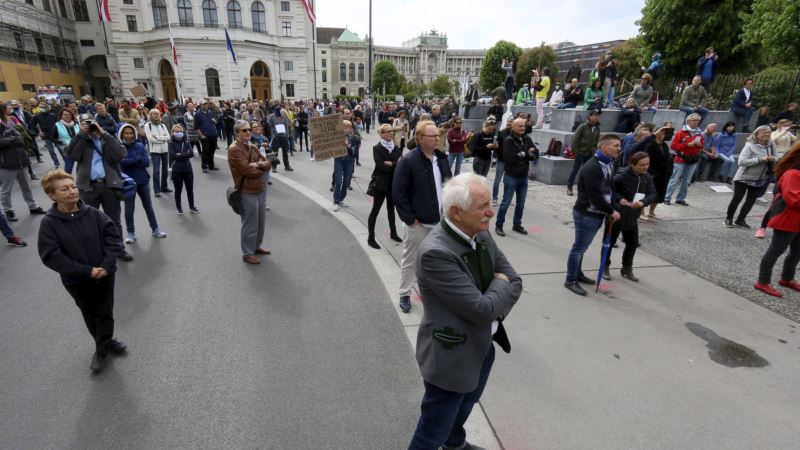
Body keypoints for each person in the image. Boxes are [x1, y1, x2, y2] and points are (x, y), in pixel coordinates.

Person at [408, 173, 521, 450]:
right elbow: (483, 310)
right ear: (456, 212)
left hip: (483, 347)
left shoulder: (480, 234)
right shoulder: (436, 252)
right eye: (482, 206)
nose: (491, 212)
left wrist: (498, 290)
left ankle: (455, 444)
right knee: (431, 432)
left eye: (489, 203)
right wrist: (499, 285)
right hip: (452, 358)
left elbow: (515, 280)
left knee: (462, 410)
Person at [37, 169, 127, 374]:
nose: (72, 191)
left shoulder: (94, 214)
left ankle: (102, 347)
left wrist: (105, 265)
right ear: (52, 195)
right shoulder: (49, 223)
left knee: (105, 311)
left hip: (105, 275)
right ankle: (104, 344)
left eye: (73, 187)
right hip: (77, 280)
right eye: (65, 189)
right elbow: (51, 255)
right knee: (90, 312)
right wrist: (85, 271)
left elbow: (113, 239)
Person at [393, 120, 452, 313]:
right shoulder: (409, 161)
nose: (437, 138)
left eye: (438, 135)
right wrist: (410, 219)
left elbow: (449, 186)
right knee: (410, 260)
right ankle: (404, 293)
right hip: (418, 223)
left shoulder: (442, 158)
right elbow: (398, 192)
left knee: (436, 260)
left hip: (440, 223)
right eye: (432, 135)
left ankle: (433, 294)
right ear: (419, 139)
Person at [66, 113, 134, 262]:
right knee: (88, 221)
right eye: (85, 123)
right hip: (88, 188)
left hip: (109, 185)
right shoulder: (82, 140)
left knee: (114, 221)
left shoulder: (106, 139)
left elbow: (119, 155)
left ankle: (118, 249)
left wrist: (103, 134)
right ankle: (95, 252)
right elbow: (72, 155)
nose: (90, 127)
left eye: (91, 123)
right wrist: (80, 135)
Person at [564, 135, 622, 296]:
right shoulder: (593, 167)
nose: (619, 148)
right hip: (586, 214)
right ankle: (570, 280)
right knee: (579, 247)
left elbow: (610, 189)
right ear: (604, 148)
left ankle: (578, 274)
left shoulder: (608, 163)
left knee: (582, 247)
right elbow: (595, 195)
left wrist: (613, 206)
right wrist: (611, 211)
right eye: (616, 145)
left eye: (619, 145)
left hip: (597, 213)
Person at [753, 141, 800, 297]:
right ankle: (763, 281)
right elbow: (794, 199)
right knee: (776, 250)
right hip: (787, 218)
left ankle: (787, 278)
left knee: (797, 252)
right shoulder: (792, 173)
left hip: (796, 219)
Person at [603, 151, 657, 281]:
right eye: (642, 165)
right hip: (616, 215)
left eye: (647, 164)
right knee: (608, 243)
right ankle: (604, 267)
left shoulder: (646, 177)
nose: (645, 167)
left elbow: (653, 193)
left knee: (632, 244)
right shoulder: (621, 176)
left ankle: (627, 268)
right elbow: (608, 190)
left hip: (632, 216)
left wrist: (643, 202)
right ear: (632, 164)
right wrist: (619, 198)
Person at [228, 120, 271, 264]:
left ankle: (256, 246)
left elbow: (268, 162)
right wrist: (260, 167)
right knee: (250, 224)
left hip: (259, 189)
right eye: (244, 130)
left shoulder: (252, 146)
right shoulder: (234, 149)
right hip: (246, 190)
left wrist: (257, 164)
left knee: (260, 222)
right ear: (237, 133)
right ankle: (247, 252)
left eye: (249, 130)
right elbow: (248, 171)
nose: (248, 132)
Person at [117, 123, 166, 243]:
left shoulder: (140, 145)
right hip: (127, 183)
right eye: (126, 133)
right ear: (121, 134)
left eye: (131, 133)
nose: (129, 135)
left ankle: (155, 229)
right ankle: (130, 233)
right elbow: (119, 163)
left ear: (134, 134)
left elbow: (146, 163)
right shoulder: (118, 147)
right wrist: (136, 160)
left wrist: (129, 161)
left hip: (143, 180)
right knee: (129, 209)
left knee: (148, 206)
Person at [724, 126, 776, 228]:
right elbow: (741, 161)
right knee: (737, 199)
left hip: (760, 178)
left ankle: (740, 220)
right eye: (763, 132)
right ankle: (728, 218)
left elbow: (776, 157)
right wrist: (760, 159)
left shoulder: (771, 145)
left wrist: (773, 158)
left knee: (750, 201)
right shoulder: (750, 146)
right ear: (756, 134)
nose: (767, 134)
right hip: (744, 177)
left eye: (769, 132)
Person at [0, 105, 46, 222]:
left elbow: (21, 138)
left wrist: (8, 140)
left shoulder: (11, 121)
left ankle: (33, 206)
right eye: (7, 108)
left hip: (21, 160)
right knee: (6, 190)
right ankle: (8, 211)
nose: (9, 110)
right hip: (6, 163)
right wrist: (12, 139)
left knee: (26, 187)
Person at [495, 118, 537, 237]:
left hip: (523, 176)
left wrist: (524, 154)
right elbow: (511, 159)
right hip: (511, 176)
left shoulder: (527, 138)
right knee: (506, 203)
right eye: (519, 126)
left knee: (521, 204)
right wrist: (527, 154)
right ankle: (499, 225)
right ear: (513, 127)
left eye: (523, 126)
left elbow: (535, 154)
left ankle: (517, 224)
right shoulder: (508, 141)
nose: (522, 128)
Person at [367, 124, 403, 249]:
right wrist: (394, 163)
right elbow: (381, 166)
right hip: (380, 184)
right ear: (381, 134)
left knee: (391, 210)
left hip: (393, 183)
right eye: (388, 132)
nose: (391, 133)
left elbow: (400, 164)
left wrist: (390, 163)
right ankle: (371, 238)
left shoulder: (396, 147)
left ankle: (393, 233)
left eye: (392, 131)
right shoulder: (377, 148)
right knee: (375, 211)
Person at [633, 124, 674, 219]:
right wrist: (651, 172)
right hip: (652, 173)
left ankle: (651, 212)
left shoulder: (664, 145)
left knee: (659, 193)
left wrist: (668, 171)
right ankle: (641, 212)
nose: (665, 135)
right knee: (646, 192)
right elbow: (646, 158)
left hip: (663, 174)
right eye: (663, 133)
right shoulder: (650, 144)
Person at [664, 113, 704, 206]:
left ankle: (680, 198)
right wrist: (686, 145)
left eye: (697, 120)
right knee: (674, 179)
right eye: (694, 120)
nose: (696, 122)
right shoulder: (680, 132)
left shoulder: (699, 133)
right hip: (681, 159)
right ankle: (667, 197)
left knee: (687, 181)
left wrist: (699, 145)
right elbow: (673, 146)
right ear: (688, 121)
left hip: (693, 159)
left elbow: (702, 145)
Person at [566, 110, 601, 196]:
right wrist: (576, 151)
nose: (597, 117)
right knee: (575, 170)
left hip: (591, 154)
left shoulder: (597, 128)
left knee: (587, 172)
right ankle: (569, 186)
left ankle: (584, 189)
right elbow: (575, 139)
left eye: (598, 116)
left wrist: (596, 151)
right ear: (590, 116)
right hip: (581, 153)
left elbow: (597, 141)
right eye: (595, 115)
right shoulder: (583, 126)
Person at [168, 124, 199, 215]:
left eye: (180, 131)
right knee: (178, 190)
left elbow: (191, 153)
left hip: (188, 169)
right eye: (176, 132)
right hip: (176, 170)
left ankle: (192, 207)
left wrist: (180, 155)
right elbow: (173, 155)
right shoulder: (170, 142)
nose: (179, 133)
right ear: (173, 133)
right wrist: (185, 154)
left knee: (190, 189)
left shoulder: (186, 141)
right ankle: (179, 208)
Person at [143, 110, 172, 196]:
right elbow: (150, 138)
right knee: (156, 171)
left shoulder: (162, 125)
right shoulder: (147, 125)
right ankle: (157, 190)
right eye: (154, 114)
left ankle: (164, 187)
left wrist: (158, 138)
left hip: (165, 150)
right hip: (155, 151)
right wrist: (162, 139)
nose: (156, 116)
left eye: (158, 114)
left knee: (165, 170)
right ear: (150, 115)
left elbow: (168, 137)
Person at [331, 120, 357, 211]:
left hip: (349, 161)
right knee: (338, 181)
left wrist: (348, 145)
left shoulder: (352, 138)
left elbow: (354, 152)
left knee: (346, 182)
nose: (347, 129)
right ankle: (336, 202)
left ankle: (341, 199)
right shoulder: (336, 137)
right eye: (345, 127)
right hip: (339, 160)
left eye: (349, 127)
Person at [492, 116, 515, 205]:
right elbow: (497, 147)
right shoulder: (501, 133)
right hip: (501, 159)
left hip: (511, 161)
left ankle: (507, 198)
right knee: (497, 179)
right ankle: (494, 198)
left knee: (508, 180)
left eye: (511, 121)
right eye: (508, 121)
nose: (509, 122)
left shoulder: (515, 134)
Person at [51, 108, 80, 174]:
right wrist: (62, 142)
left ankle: (80, 181)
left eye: (69, 115)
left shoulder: (76, 124)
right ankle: (67, 182)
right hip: (68, 149)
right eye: (65, 114)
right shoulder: (57, 125)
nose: (67, 116)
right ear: (61, 116)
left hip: (79, 148)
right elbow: (52, 138)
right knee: (68, 169)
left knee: (82, 167)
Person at [194, 100, 219, 173]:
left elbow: (214, 121)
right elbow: (196, 127)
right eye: (204, 104)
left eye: (206, 104)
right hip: (205, 136)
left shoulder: (209, 112)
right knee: (206, 151)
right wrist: (201, 135)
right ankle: (204, 166)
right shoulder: (197, 114)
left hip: (213, 134)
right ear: (200, 105)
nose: (205, 105)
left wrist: (214, 121)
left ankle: (211, 165)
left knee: (212, 150)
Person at [32, 104, 60, 168]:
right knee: (51, 151)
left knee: (61, 149)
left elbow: (59, 124)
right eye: (41, 107)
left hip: (56, 135)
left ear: (48, 108)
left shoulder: (53, 115)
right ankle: (56, 163)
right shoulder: (37, 116)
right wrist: (38, 132)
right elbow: (32, 125)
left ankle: (66, 161)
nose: (43, 108)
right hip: (47, 136)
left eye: (44, 107)